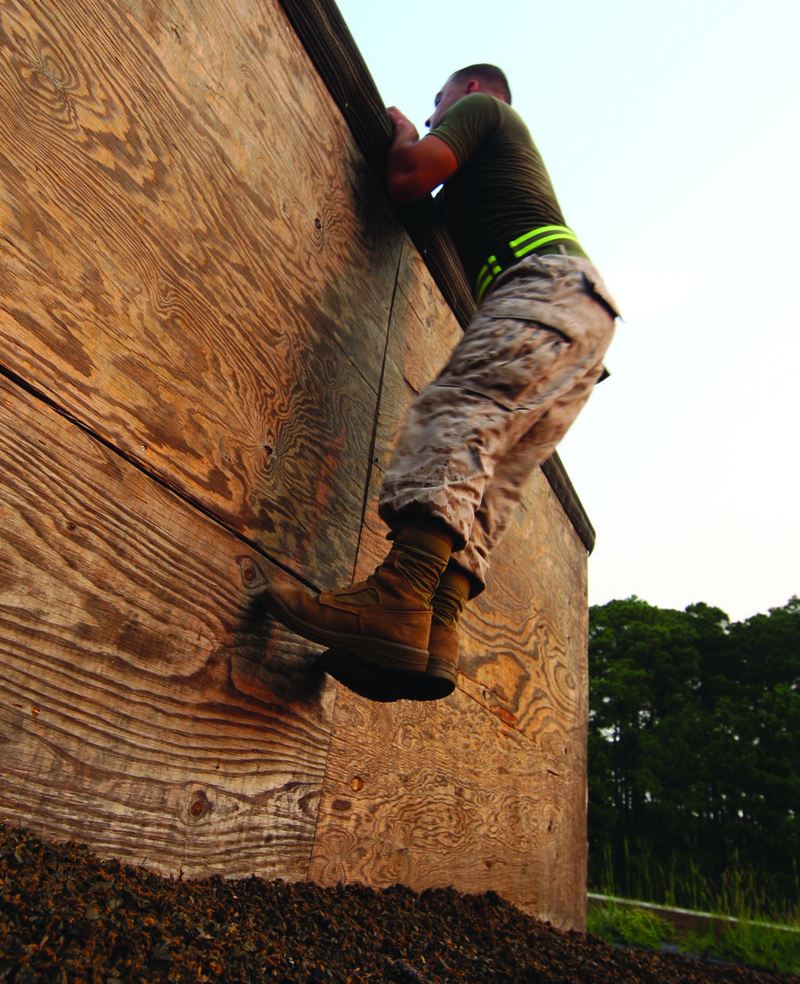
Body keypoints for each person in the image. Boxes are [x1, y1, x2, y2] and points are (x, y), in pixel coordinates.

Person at [265, 63, 619, 700]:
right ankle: (435, 629)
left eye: (439, 103)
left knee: (457, 413)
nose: (434, 118)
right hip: (584, 324)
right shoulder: (493, 176)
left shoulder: (486, 113)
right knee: (496, 476)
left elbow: (409, 177)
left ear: (472, 92)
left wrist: (401, 130)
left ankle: (398, 594)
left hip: (542, 284)